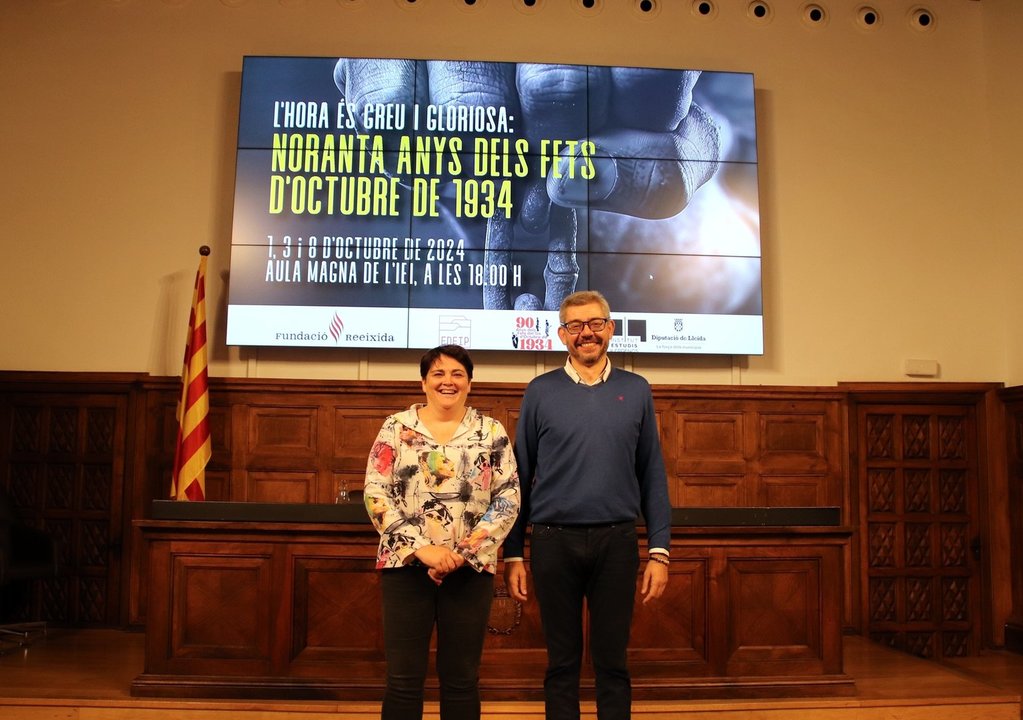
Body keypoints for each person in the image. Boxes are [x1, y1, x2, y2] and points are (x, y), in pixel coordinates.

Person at [502, 290, 671, 720]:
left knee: (613, 662)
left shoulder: (637, 390)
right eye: (575, 326)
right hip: (553, 543)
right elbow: (519, 478)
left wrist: (659, 550)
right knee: (561, 663)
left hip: (616, 542)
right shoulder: (540, 391)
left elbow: (652, 473)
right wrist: (514, 553)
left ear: (610, 329)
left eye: (595, 324)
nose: (586, 334)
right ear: (562, 335)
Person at [363, 344, 520, 720]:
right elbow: (375, 491)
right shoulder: (396, 427)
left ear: (469, 383)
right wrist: (422, 549)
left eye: (457, 375)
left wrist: (460, 554)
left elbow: (508, 497)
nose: (447, 382)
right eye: (438, 374)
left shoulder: (490, 430)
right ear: (423, 382)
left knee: (462, 680)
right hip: (405, 568)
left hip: (469, 571)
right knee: (402, 680)